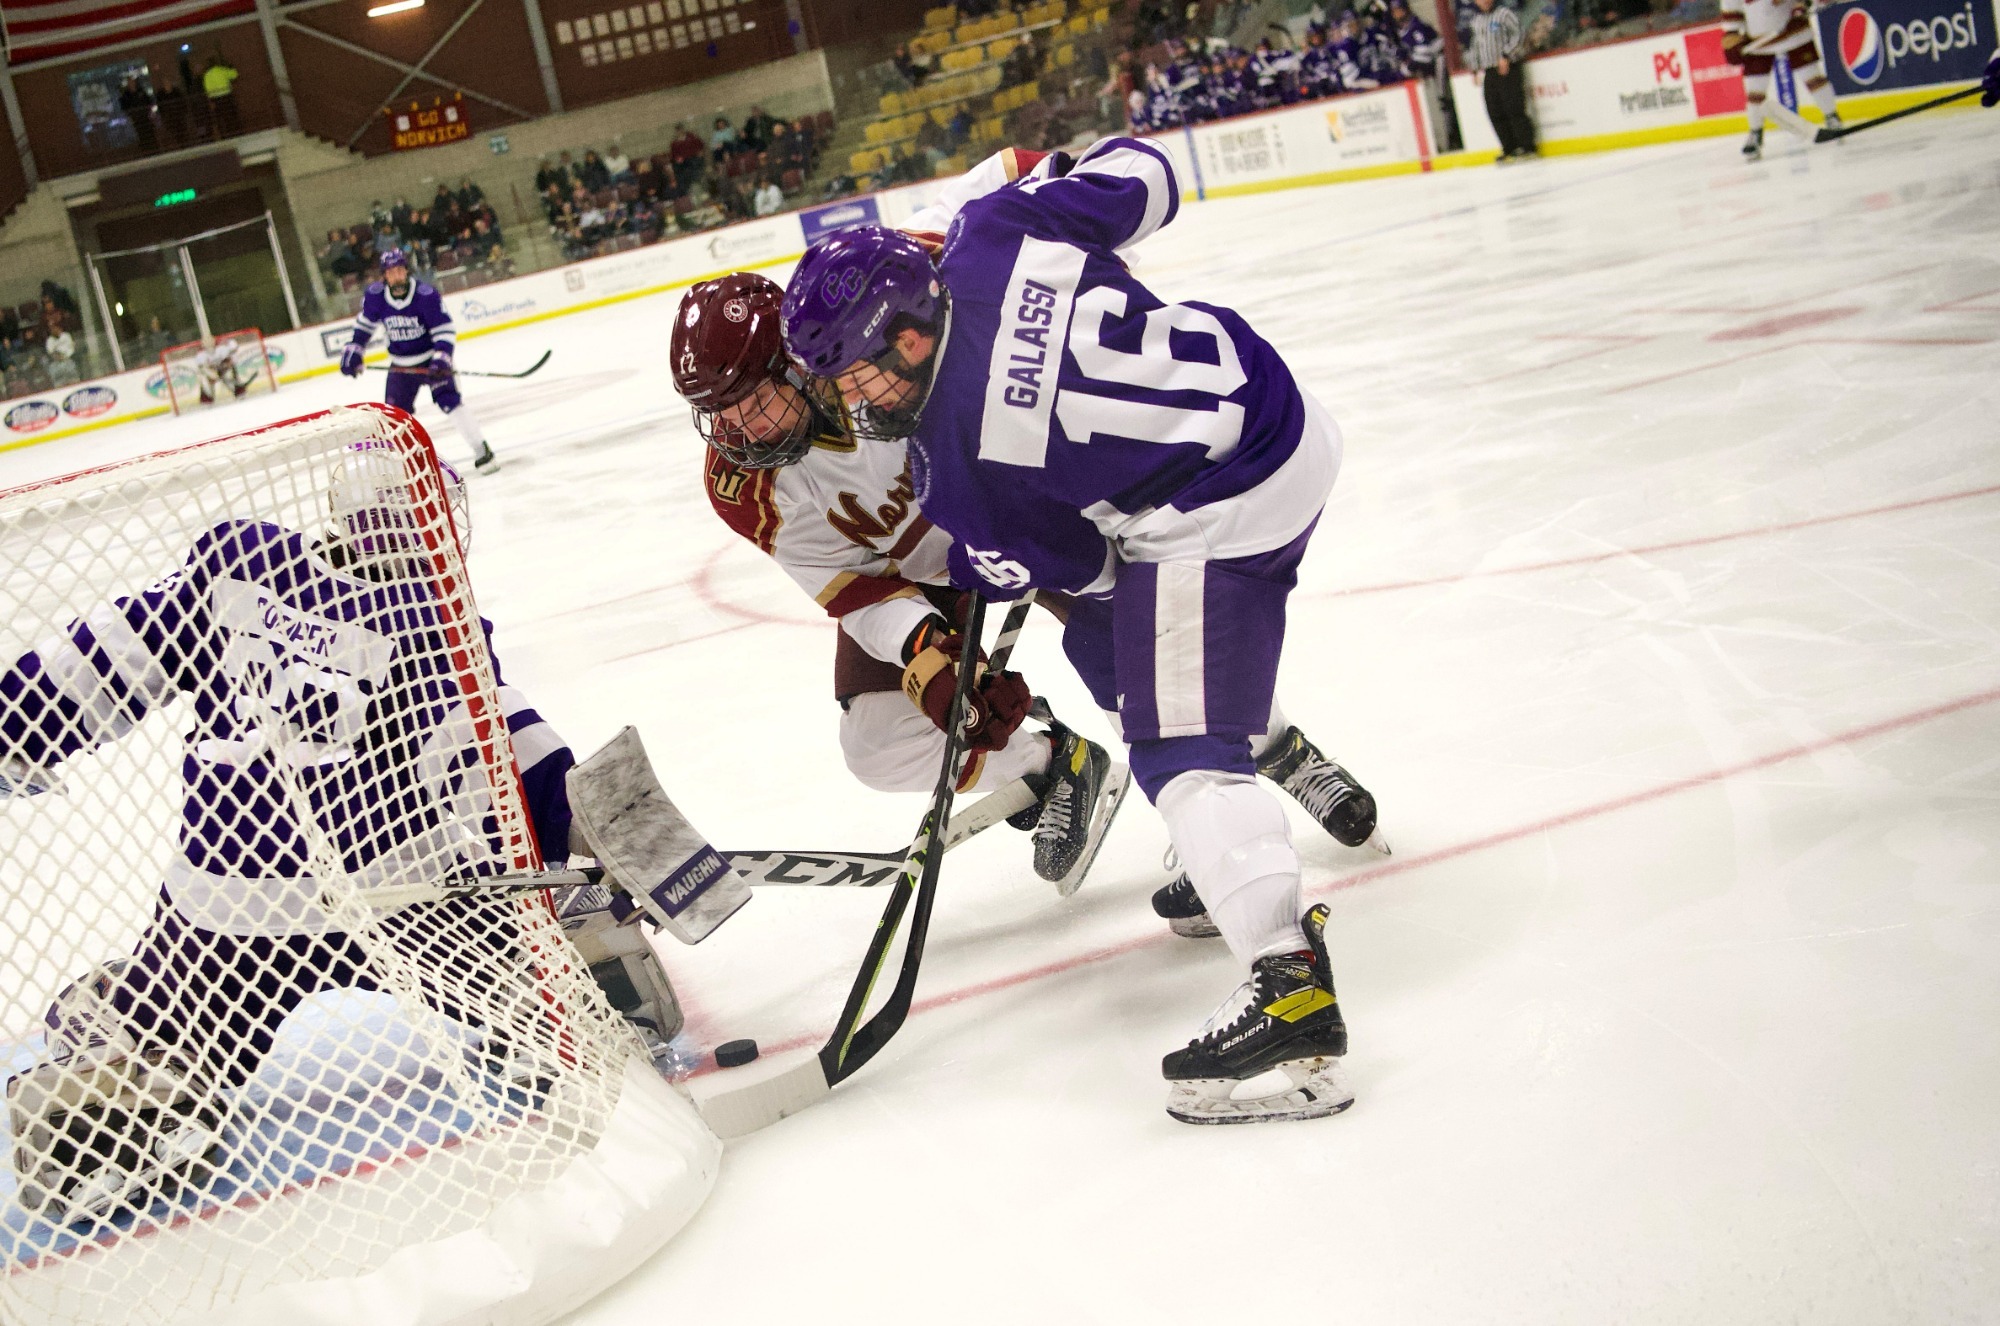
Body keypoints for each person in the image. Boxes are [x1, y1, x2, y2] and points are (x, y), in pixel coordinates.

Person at [778, 138, 1386, 1125]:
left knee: (1174, 746)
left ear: (905, 337)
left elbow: (1093, 569)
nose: (851, 400)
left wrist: (982, 564)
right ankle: (1247, 795)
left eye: (856, 377)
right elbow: (1146, 174)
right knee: (1106, 647)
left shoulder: (956, 476)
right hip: (1282, 410)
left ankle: (1292, 988)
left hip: (1224, 514)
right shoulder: (989, 232)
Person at [0, 447, 660, 1222]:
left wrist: (13, 723)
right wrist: (610, 842)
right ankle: (561, 971)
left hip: (232, 915)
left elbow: (106, 656)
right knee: (559, 990)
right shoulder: (441, 631)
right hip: (406, 905)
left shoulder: (236, 565)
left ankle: (121, 1032)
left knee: (171, 1037)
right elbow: (512, 760)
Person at [668, 268, 1117, 889]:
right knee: (877, 748)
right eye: (719, 412)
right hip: (917, 576)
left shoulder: (867, 345)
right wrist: (923, 649)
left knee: (1122, 648)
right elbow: (851, 588)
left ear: (795, 362)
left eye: (750, 402)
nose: (738, 430)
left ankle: (1205, 792)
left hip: (1007, 510)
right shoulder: (746, 487)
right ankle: (1048, 763)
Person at [338, 248, 496, 473]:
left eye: (400, 270)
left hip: (431, 362)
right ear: (384, 276)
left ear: (407, 271)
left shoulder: (425, 295)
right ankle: (406, 468)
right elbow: (365, 326)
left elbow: (444, 330)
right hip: (401, 366)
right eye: (391, 272)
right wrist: (355, 348)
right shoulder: (376, 296)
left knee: (450, 401)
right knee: (393, 418)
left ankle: (482, 451)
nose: (397, 276)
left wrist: (442, 358)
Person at [1721, 0, 1842, 159]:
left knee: (1812, 77)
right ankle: (1755, 133)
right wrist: (1732, 40)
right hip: (1757, 42)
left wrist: (1802, 6)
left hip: (1794, 33)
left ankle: (1831, 116)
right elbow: (1732, 19)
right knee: (1755, 92)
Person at [1465, 0, 1537, 161]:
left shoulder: (1504, 14)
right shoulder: (1477, 21)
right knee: (1495, 110)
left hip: (1507, 68)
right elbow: (1476, 45)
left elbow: (1519, 34)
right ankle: (1509, 147)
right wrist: (1475, 68)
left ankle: (1527, 146)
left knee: (1514, 107)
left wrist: (1507, 55)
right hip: (1489, 71)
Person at [202, 54, 240, 138]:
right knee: (231, 115)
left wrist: (211, 101)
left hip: (215, 99)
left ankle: (224, 135)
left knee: (221, 118)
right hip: (226, 96)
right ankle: (235, 132)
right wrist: (231, 66)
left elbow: (208, 90)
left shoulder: (206, 75)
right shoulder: (221, 70)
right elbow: (235, 74)